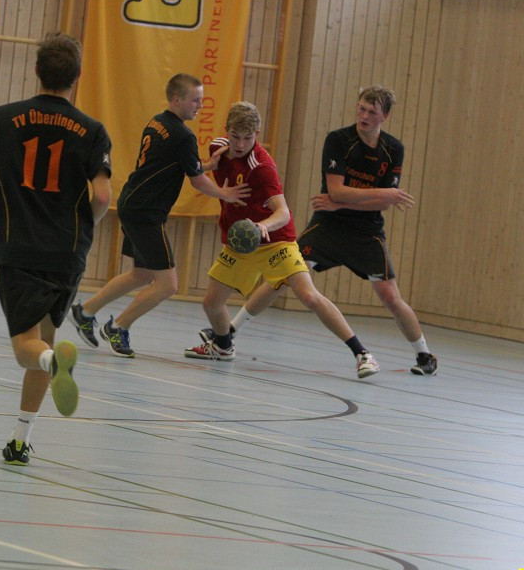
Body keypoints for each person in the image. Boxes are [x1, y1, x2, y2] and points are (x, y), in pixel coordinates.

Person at [202, 86, 438, 376]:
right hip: (324, 225)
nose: (364, 115)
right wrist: (378, 195)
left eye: (372, 112)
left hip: (354, 231)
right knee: (264, 288)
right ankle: (227, 338)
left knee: (380, 295)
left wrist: (344, 202)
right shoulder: (340, 140)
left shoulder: (263, 167)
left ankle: (409, 354)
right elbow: (343, 191)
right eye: (361, 108)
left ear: (385, 116)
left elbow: (305, 207)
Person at [0, 33, 112, 467]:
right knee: (45, 337)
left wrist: (1, 203)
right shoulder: (93, 130)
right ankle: (20, 438)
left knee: (27, 349)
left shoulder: (3, 117)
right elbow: (102, 197)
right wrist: (85, 225)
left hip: (19, 245)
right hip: (67, 253)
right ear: (77, 76)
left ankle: (53, 360)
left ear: (36, 71)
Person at [183, 102, 381, 379]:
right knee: (211, 304)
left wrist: (261, 227)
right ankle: (224, 346)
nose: (240, 144)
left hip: (274, 240)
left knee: (308, 296)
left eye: (248, 138)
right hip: (240, 244)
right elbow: (198, 174)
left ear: (258, 134)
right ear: (226, 131)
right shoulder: (217, 147)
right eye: (235, 136)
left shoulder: (262, 168)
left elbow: (283, 212)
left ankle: (362, 353)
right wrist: (208, 168)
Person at [68, 73, 249, 357]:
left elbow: (173, 164)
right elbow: (196, 181)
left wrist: (207, 165)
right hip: (146, 213)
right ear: (177, 100)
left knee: (141, 273)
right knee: (168, 284)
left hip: (133, 202)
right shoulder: (183, 135)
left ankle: (85, 311)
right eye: (195, 100)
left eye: (201, 100)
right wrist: (225, 195)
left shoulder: (158, 122)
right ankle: (118, 326)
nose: (200, 106)